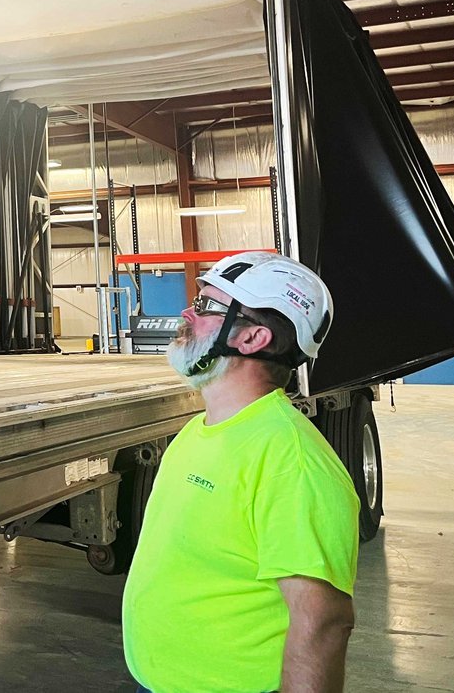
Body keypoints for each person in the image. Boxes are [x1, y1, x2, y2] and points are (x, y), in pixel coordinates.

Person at [122, 251, 359, 693]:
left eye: (209, 306)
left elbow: (323, 622)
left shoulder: (292, 461)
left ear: (252, 338)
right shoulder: (199, 430)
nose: (187, 312)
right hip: (158, 681)